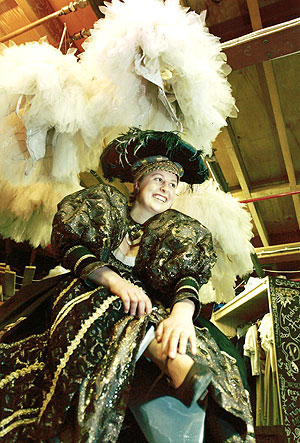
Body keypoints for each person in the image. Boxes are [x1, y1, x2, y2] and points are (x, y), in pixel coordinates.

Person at [0, 128, 255, 443]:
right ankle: (171, 363)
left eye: (173, 184)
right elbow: (72, 248)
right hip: (91, 293)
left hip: (145, 307)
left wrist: (181, 316)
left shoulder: (174, 231)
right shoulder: (103, 206)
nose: (167, 188)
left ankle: (181, 369)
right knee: (109, 302)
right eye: (159, 179)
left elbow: (185, 280)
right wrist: (117, 282)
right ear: (138, 182)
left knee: (203, 343)